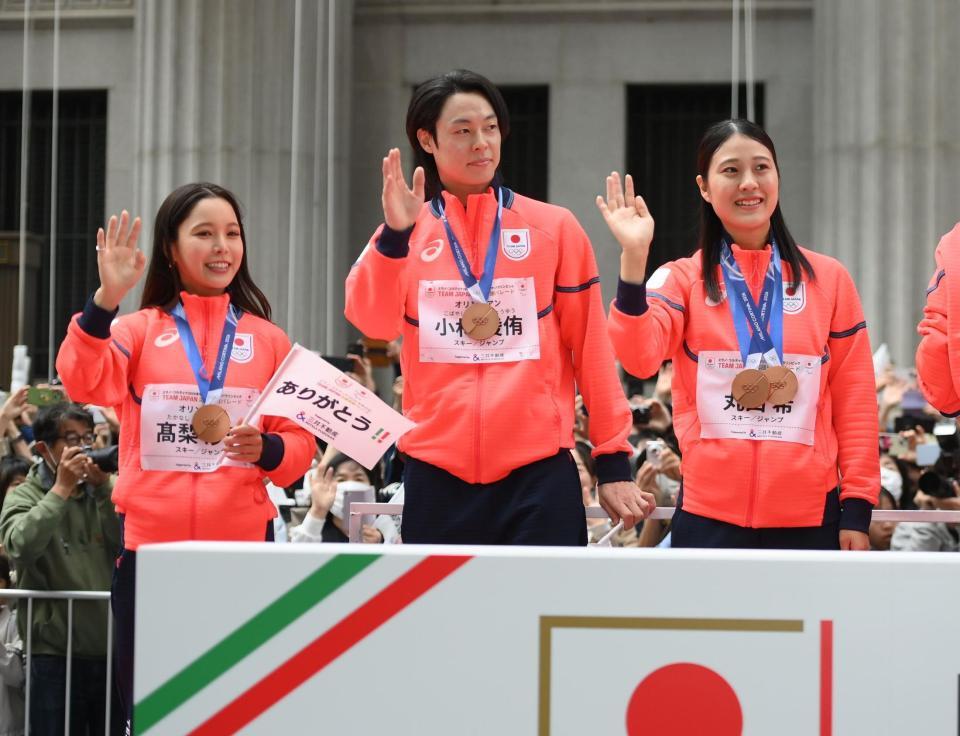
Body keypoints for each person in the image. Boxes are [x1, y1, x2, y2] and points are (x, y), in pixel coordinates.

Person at [346, 69, 651, 545]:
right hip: (436, 475)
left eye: (490, 128)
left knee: (541, 618)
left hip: (538, 477)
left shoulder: (553, 229)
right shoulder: (406, 232)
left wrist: (612, 462)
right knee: (446, 621)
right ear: (427, 140)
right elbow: (372, 321)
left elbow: (590, 348)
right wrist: (395, 236)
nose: (481, 143)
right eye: (462, 131)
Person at [54, 183, 316, 729]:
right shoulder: (135, 331)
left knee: (242, 709)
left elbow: (299, 450)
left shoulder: (267, 340)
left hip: (243, 553)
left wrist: (266, 448)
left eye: (232, 234)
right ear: (171, 249)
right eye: (204, 233)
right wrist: (105, 301)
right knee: (154, 713)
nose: (222, 246)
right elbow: (81, 379)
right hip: (151, 553)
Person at [601, 119, 878, 550]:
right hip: (707, 516)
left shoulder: (829, 279)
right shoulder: (681, 279)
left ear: (777, 177)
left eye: (761, 168)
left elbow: (855, 399)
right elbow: (639, 358)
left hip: (810, 517)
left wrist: (858, 507)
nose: (749, 182)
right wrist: (634, 259)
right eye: (731, 170)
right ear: (705, 187)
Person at [0, 403, 118, 735]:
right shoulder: (23, 494)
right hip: (52, 654)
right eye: (70, 439)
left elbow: (129, 542)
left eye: (88, 437)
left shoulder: (105, 490)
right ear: (43, 449)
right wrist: (61, 490)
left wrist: (106, 490)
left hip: (109, 649)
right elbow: (19, 547)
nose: (82, 447)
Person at [289, 453, 398, 544]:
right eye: (341, 480)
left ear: (372, 487)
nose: (350, 485)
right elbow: (298, 556)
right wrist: (318, 510)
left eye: (358, 479)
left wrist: (380, 542)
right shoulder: (314, 530)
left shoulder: (388, 527)